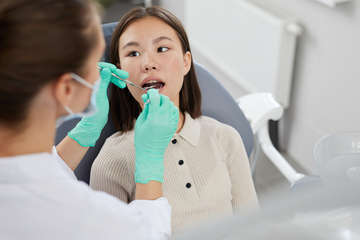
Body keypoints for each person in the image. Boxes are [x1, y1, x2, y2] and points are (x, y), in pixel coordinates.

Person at [0, 1, 179, 239]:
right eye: (93, 63)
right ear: (66, 89)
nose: (148, 63)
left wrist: (83, 134)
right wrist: (150, 161)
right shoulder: (84, 218)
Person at [90, 6, 259, 233]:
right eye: (133, 53)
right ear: (120, 71)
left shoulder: (224, 137)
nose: (148, 63)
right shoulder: (111, 160)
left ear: (186, 61)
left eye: (162, 48)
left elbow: (255, 227)